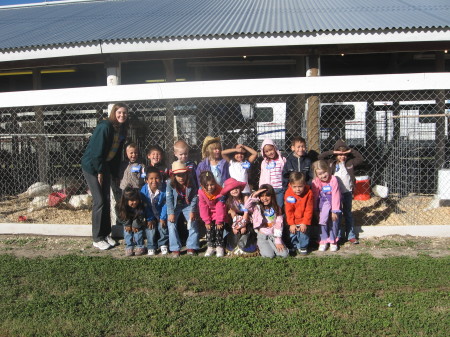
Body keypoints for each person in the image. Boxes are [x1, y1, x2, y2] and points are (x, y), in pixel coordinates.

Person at [81, 102, 128, 250]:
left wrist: (113, 173)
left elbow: (116, 153)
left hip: (105, 166)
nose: (122, 115)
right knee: (99, 201)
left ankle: (106, 234)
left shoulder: (121, 129)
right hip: (92, 166)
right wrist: (100, 171)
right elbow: (96, 153)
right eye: (119, 112)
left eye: (125, 113)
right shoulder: (104, 127)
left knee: (106, 200)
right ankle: (97, 237)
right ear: (113, 113)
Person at [318, 139, 364, 244]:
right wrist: (333, 152)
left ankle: (350, 235)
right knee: (336, 214)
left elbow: (361, 159)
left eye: (344, 154)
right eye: (340, 154)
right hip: (335, 194)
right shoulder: (331, 163)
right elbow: (320, 157)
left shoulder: (350, 162)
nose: (342, 156)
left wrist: (350, 151)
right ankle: (336, 234)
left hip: (347, 192)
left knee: (348, 213)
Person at [244, 184, 288, 258]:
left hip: (274, 235)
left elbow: (279, 225)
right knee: (269, 256)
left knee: (284, 255)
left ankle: (276, 247)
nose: (265, 198)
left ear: (272, 196)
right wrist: (254, 195)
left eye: (267, 195)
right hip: (262, 236)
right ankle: (261, 247)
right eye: (262, 196)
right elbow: (246, 206)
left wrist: (278, 241)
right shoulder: (256, 208)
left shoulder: (277, 208)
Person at [166, 161, 200, 257]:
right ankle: (175, 248)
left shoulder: (191, 181)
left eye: (183, 175)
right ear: (174, 176)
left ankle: (191, 246)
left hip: (187, 204)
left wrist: (193, 211)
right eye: (178, 175)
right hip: (175, 205)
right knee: (171, 223)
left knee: (193, 221)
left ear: (187, 174)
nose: (181, 178)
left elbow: (194, 196)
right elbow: (169, 198)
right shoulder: (169, 183)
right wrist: (171, 212)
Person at [221, 177, 257, 256]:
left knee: (246, 232)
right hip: (237, 219)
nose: (234, 191)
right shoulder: (229, 201)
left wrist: (243, 226)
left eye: (236, 188)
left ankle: (247, 247)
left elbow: (246, 213)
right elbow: (233, 215)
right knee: (235, 233)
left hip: (248, 218)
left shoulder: (245, 197)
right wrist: (235, 226)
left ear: (240, 188)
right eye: (232, 189)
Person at [312, 160, 341, 252]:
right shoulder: (315, 182)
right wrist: (315, 209)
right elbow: (315, 196)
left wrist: (334, 210)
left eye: (324, 172)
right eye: (320, 174)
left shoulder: (333, 179)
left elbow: (336, 195)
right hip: (322, 204)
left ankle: (333, 240)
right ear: (316, 175)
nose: (323, 175)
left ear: (328, 170)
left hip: (332, 203)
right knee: (322, 222)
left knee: (333, 222)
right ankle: (323, 240)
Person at [140, 166, 169, 256]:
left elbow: (166, 204)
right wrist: (149, 218)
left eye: (157, 178)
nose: (154, 181)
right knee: (150, 228)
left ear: (160, 179)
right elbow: (145, 206)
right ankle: (151, 246)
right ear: (146, 180)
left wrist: (163, 217)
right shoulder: (143, 191)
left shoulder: (164, 189)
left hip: (161, 214)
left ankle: (163, 244)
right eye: (151, 178)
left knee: (162, 226)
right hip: (150, 214)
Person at [198, 171, 227, 257]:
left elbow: (220, 206)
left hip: (219, 213)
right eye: (207, 185)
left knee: (219, 230)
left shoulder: (220, 191)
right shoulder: (201, 192)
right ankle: (210, 246)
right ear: (202, 186)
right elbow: (203, 206)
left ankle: (219, 246)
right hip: (209, 213)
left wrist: (219, 220)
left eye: (212, 184)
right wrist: (206, 220)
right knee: (209, 230)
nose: (210, 187)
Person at [284, 172, 314, 256]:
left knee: (303, 234)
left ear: (304, 184)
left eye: (300, 186)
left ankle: (303, 246)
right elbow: (289, 210)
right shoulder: (288, 193)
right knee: (292, 234)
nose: (297, 189)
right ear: (290, 185)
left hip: (303, 219)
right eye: (295, 187)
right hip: (293, 219)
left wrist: (304, 223)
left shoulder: (309, 193)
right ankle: (293, 245)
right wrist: (291, 224)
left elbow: (309, 209)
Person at [117, 187, 146, 257]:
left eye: (136, 199)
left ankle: (140, 246)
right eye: (132, 200)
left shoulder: (141, 205)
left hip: (138, 221)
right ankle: (129, 246)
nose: (135, 202)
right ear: (126, 200)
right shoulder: (119, 206)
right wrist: (127, 224)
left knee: (138, 231)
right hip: (127, 221)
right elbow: (120, 217)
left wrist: (135, 225)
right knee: (127, 231)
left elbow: (141, 215)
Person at [259, 139, 286, 208]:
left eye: (271, 150)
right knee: (270, 206)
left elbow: (285, 173)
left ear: (275, 148)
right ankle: (271, 218)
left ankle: (279, 218)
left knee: (279, 206)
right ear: (264, 153)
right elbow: (262, 176)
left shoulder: (282, 160)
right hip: (269, 189)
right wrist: (261, 188)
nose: (269, 153)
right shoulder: (265, 163)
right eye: (266, 151)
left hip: (280, 188)